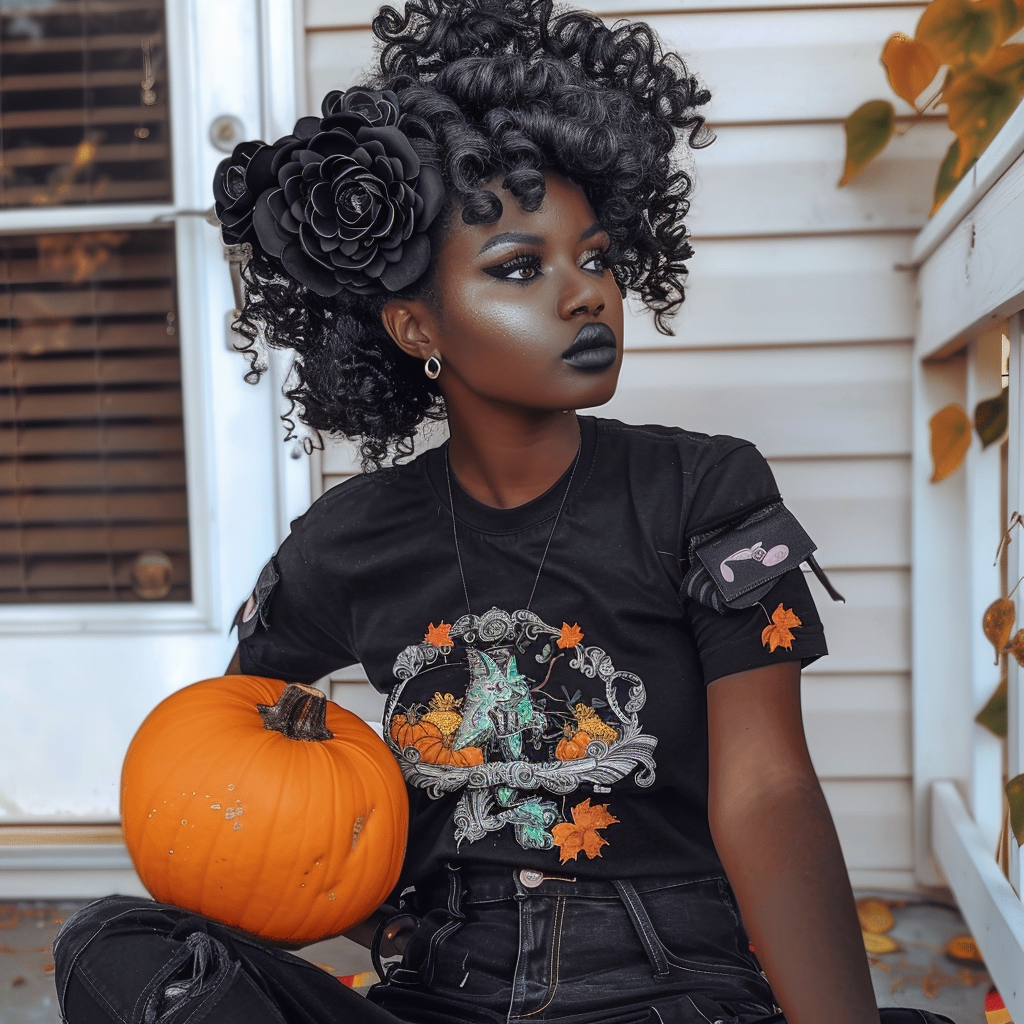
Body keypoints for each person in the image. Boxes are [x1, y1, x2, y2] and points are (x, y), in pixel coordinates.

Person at [53, 2, 955, 1023]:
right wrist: (360, 902)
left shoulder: (705, 493)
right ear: (414, 323)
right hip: (442, 987)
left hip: (669, 981)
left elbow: (766, 792)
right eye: (520, 268)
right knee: (116, 949)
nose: (585, 296)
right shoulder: (347, 543)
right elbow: (226, 777)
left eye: (598, 256)